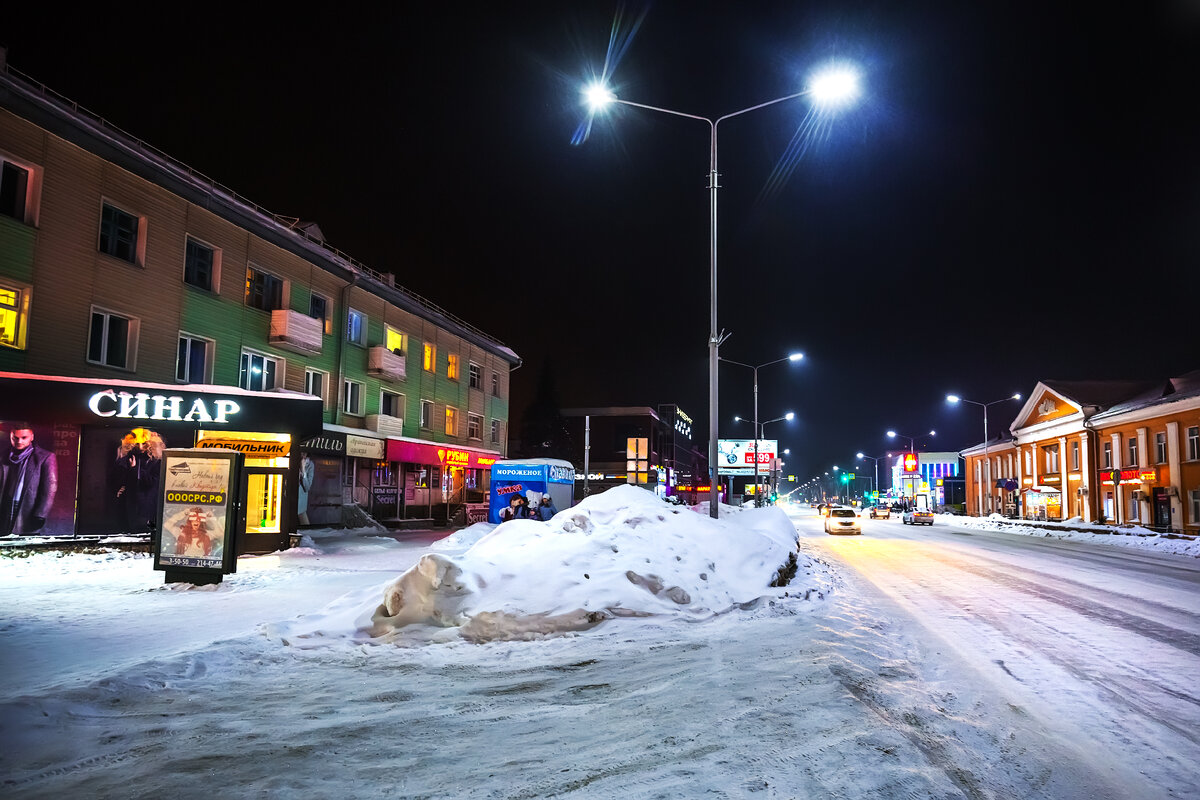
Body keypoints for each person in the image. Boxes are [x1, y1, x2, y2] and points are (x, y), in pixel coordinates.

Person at [0, 422, 58, 535]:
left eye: (24, 437)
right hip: (5, 506)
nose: (19, 441)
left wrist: (40, 514)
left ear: (32, 437)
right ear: (10, 437)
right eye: (15, 438)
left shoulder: (45, 457)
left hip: (28, 508)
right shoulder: (3, 455)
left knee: (24, 541)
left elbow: (49, 489)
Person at [297, 451, 314, 526]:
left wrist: (303, 470)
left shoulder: (310, 465)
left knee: (305, 525)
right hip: (289, 500)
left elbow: (307, 487)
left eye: (305, 453)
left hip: (300, 503)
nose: (303, 454)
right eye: (302, 452)